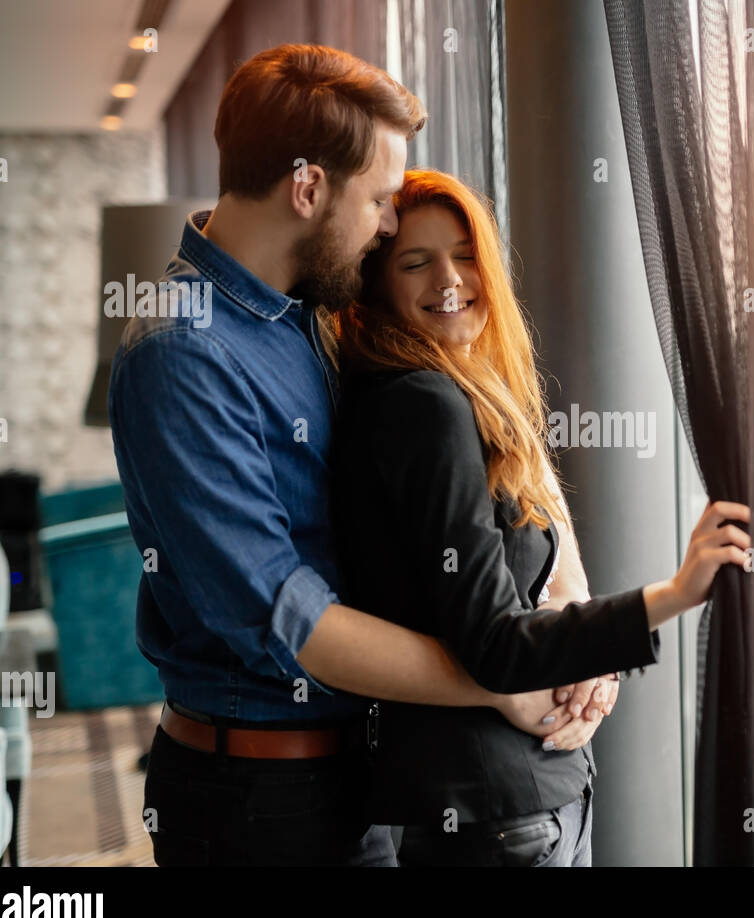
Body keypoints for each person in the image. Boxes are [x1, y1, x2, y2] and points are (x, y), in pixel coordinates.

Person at [107, 44, 634, 867]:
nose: (391, 225)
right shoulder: (182, 354)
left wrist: (570, 624)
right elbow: (292, 623)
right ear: (308, 187)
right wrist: (511, 679)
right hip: (260, 803)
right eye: (382, 200)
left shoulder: (323, 310)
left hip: (377, 770)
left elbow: (502, 450)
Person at [331, 169, 752, 866]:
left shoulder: (464, 392)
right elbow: (493, 642)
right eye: (416, 261)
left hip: (515, 800)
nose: (449, 278)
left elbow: (539, 586)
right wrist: (672, 596)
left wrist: (593, 663)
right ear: (377, 285)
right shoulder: (424, 405)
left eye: (464, 254)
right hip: (496, 806)